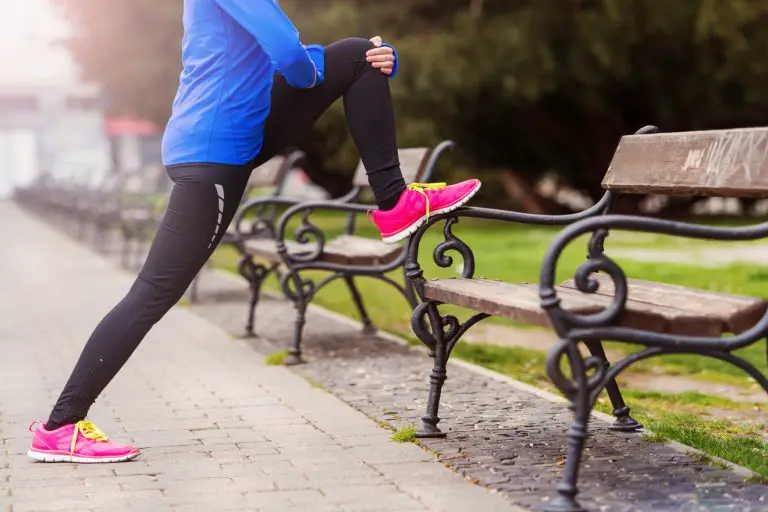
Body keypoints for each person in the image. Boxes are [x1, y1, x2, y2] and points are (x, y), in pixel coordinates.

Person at [27, 0, 480, 463]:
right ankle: (61, 426)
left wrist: (369, 63)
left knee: (357, 55)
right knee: (153, 291)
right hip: (214, 153)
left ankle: (395, 203)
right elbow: (290, 60)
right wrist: (311, 70)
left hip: (227, 137)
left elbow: (287, 58)